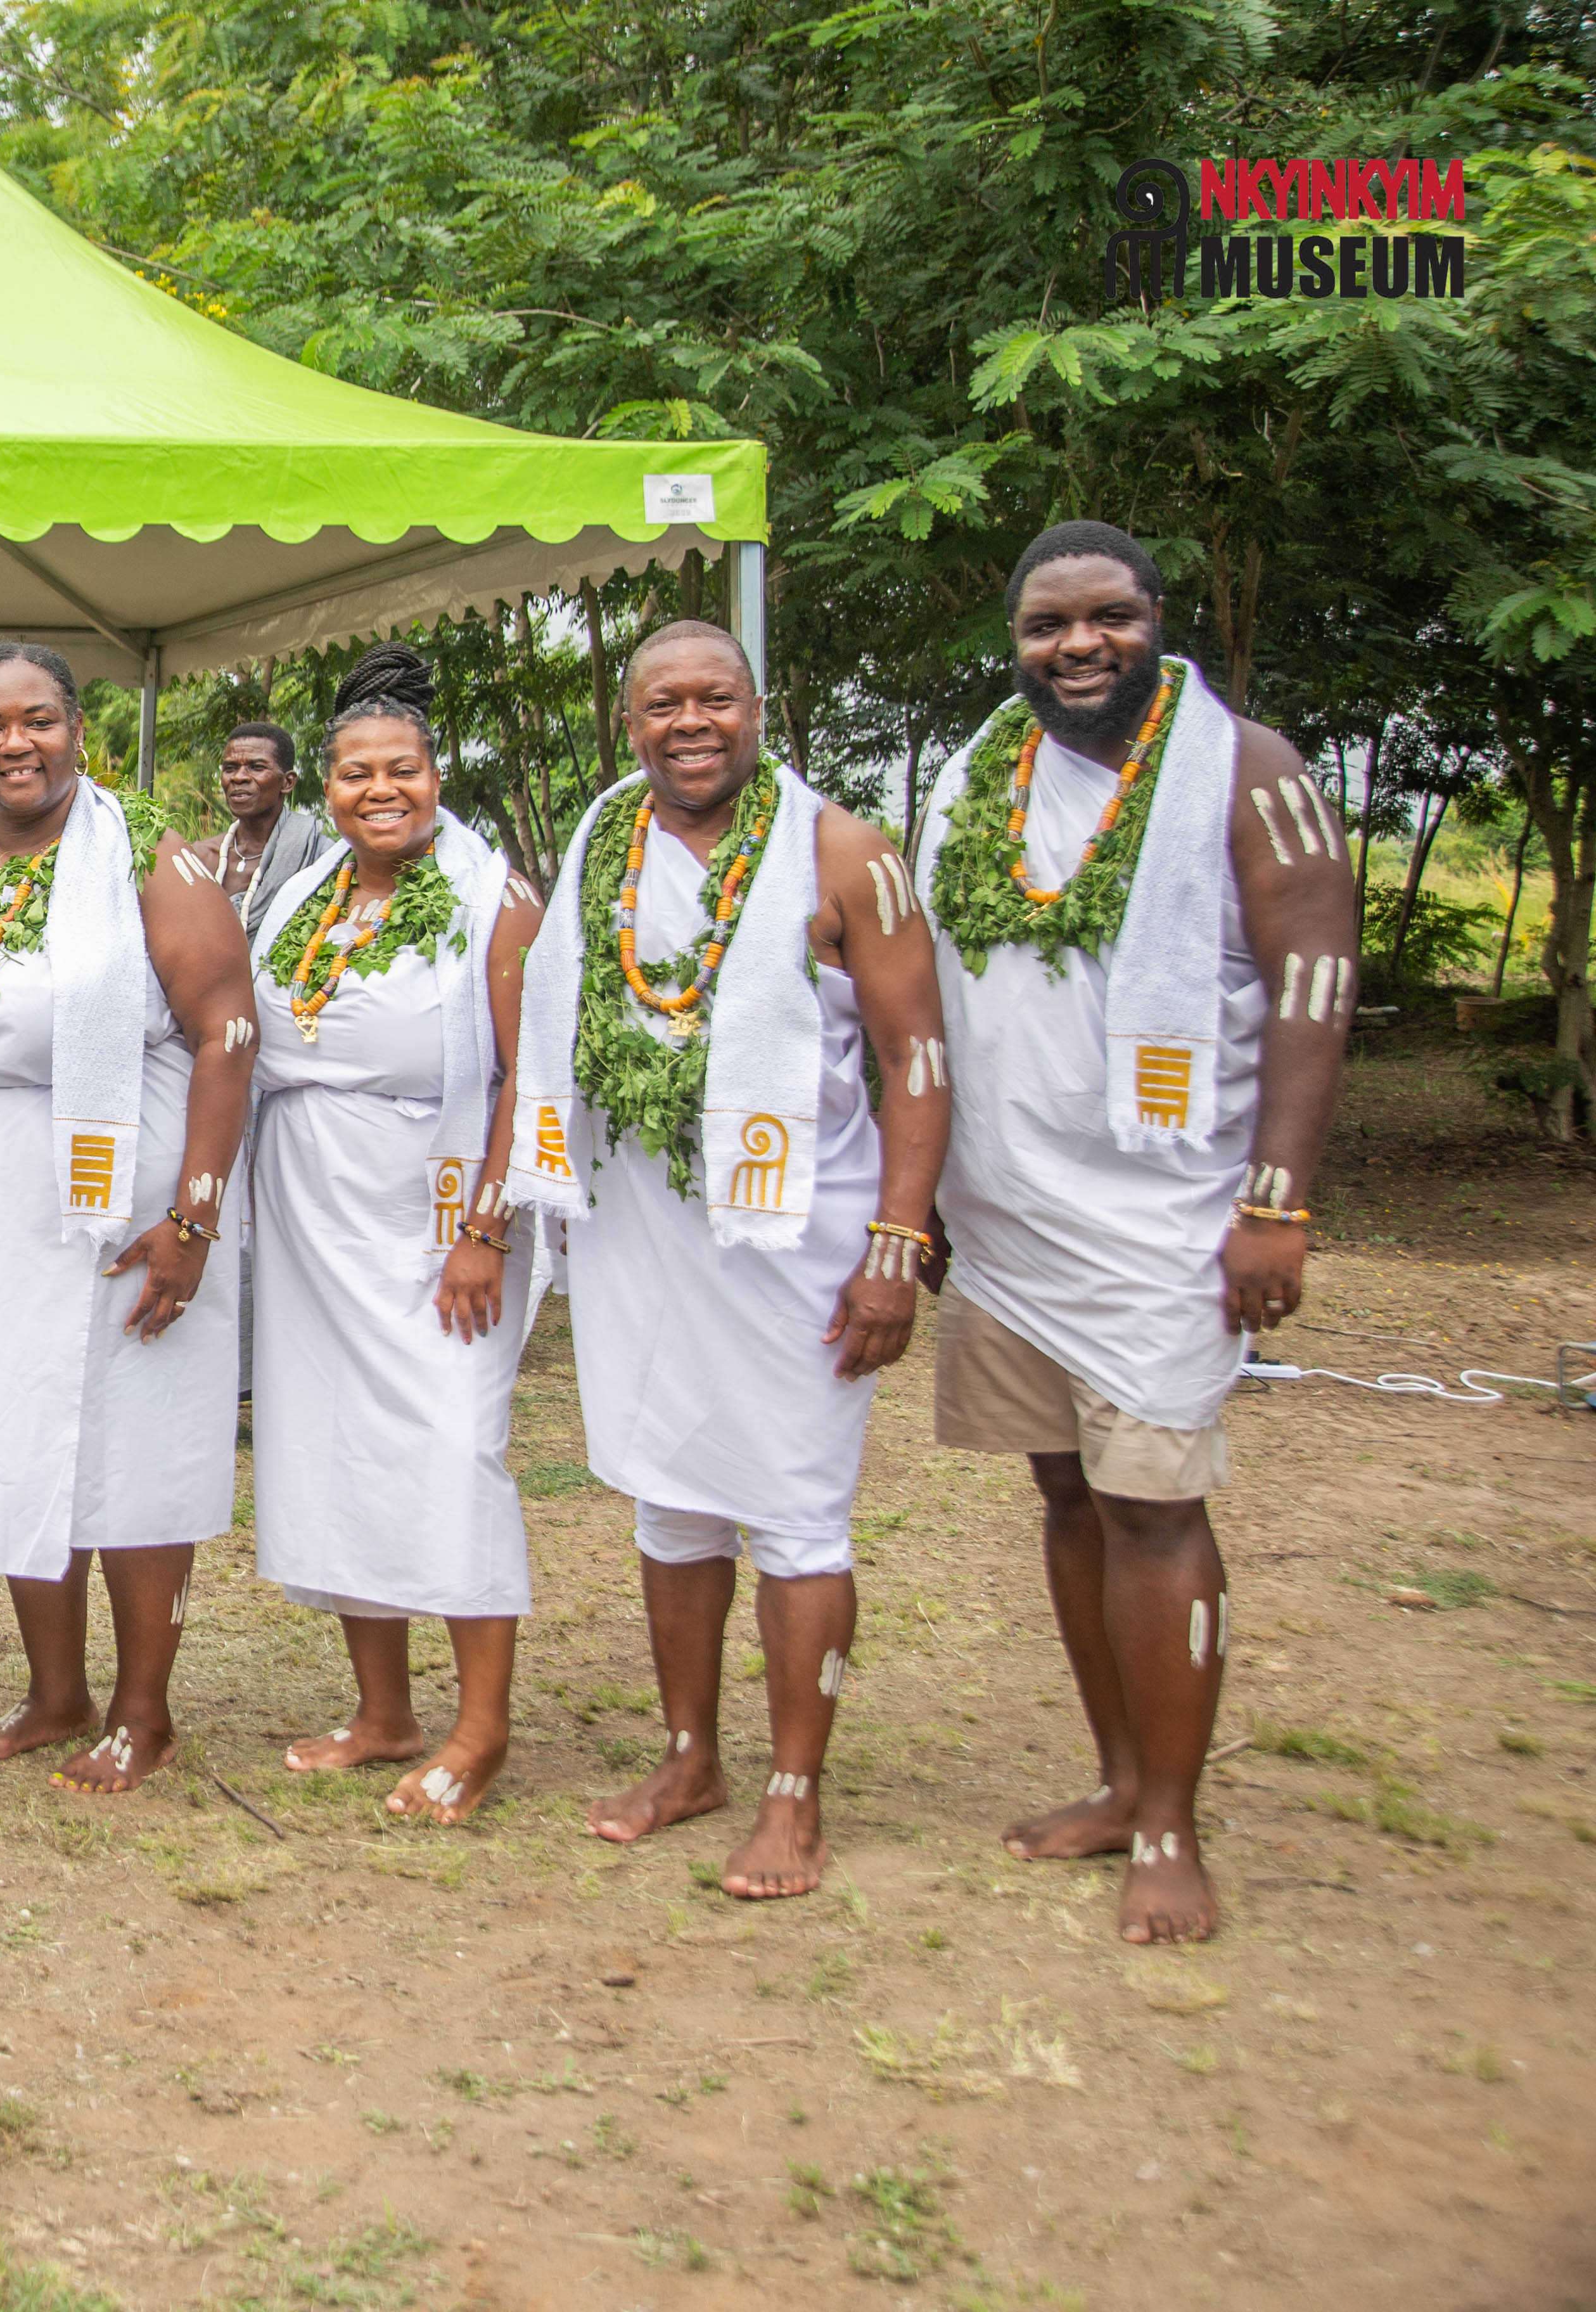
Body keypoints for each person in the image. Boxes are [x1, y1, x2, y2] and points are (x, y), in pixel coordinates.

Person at [917, 522, 1354, 1945]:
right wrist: (923, 1198)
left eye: (1107, 615)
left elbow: (1315, 984)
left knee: (1156, 1508)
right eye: (1047, 625)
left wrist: (1275, 1201)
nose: (1078, 645)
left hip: (1169, 1218)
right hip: (1013, 1216)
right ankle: (1116, 1780)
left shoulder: (1248, 771)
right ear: (1016, 641)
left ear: (1157, 619)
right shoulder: (982, 776)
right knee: (1064, 1491)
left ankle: (1171, 1820)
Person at [506, 619, 950, 1899]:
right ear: (630, 723)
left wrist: (898, 1243)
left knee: (798, 1512)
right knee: (671, 1494)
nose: (688, 723)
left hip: (797, 1235)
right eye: (662, 704)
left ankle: (793, 1794)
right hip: (643, 1228)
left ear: (761, 709)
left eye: (714, 699)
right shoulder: (604, 838)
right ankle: (689, 1757)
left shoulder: (843, 853)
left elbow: (917, 1060)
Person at [0, 641, 258, 1794]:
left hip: (114, 1208)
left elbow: (227, 1031)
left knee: (131, 1443)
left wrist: (193, 1219)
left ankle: (144, 1711)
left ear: (78, 729)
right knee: (15, 1431)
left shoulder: (150, 858)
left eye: (36, 719)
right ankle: (55, 1692)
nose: (13, 743)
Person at [247, 645, 547, 1821]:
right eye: (355, 773)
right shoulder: (308, 897)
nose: (380, 790)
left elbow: (532, 1075)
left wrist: (486, 1228)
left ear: (437, 774)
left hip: (435, 1222)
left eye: (402, 770)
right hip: (314, 1223)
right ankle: (384, 1713)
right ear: (326, 788)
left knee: (450, 1446)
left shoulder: (495, 901)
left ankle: (482, 1727)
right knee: (334, 1448)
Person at [195, 721, 335, 927]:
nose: (239, 777)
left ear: (287, 782)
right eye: (230, 768)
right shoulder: (199, 857)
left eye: (256, 767)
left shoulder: (320, 858)